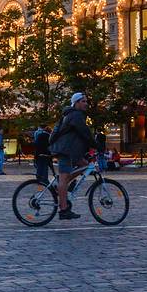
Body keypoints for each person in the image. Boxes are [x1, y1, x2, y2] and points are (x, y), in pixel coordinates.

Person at [49, 92, 94, 220]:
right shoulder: (75, 115)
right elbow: (84, 132)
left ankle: (61, 185)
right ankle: (63, 210)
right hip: (65, 151)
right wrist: (96, 144)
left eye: (86, 101)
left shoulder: (74, 114)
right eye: (83, 101)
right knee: (63, 179)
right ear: (76, 103)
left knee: (86, 166)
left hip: (71, 151)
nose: (86, 103)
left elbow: (79, 136)